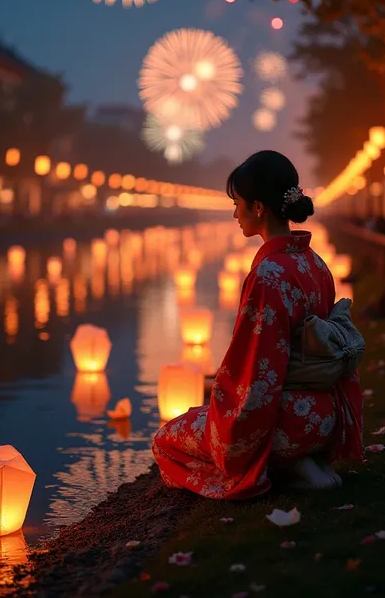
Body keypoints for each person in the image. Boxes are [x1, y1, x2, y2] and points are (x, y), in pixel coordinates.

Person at [152, 151, 363, 500]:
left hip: (291, 423)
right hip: (327, 417)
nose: (235, 214)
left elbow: (255, 377)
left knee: (167, 441)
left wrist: (225, 418)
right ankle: (304, 461)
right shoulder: (315, 263)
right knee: (201, 417)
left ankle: (281, 465)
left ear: (259, 207)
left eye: (237, 204)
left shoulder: (269, 275)